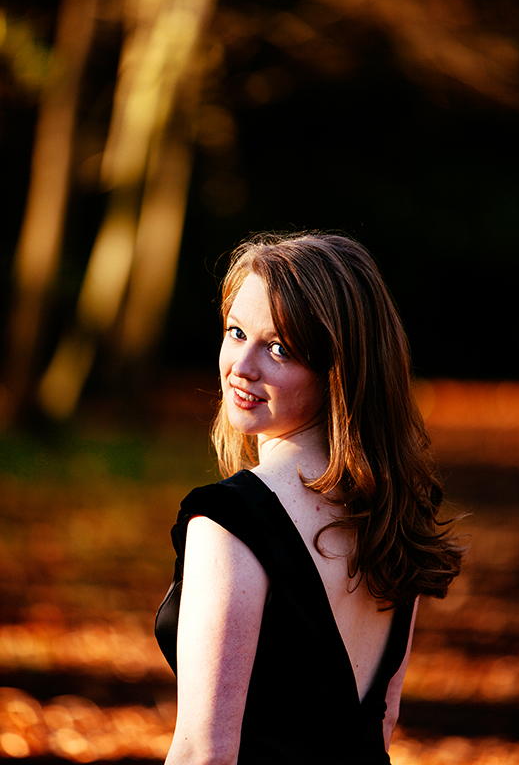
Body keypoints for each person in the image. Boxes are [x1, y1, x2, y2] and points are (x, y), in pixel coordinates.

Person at [155, 231, 463, 765]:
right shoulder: (392, 516)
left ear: (338, 370)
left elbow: (204, 753)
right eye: (236, 332)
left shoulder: (231, 522)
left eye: (279, 348)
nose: (241, 366)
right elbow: (383, 723)